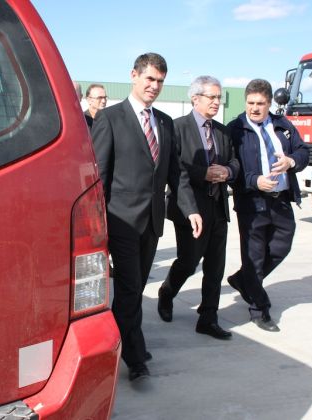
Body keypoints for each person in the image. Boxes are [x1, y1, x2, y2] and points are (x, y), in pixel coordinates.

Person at [92, 53, 202, 381]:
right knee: (128, 288)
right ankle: (136, 359)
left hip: (152, 223)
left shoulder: (165, 123)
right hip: (121, 220)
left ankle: (118, 342)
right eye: (149, 79)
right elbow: (98, 176)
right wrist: (97, 226)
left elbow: (175, 174)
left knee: (135, 289)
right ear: (134, 76)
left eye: (160, 81)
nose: (154, 86)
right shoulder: (110, 118)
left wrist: (190, 208)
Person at [157, 76, 239, 340]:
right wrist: (203, 173)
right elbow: (175, 168)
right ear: (195, 98)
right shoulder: (177, 128)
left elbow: (236, 162)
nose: (217, 102)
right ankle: (167, 292)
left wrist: (227, 170)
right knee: (189, 261)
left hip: (217, 208)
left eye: (219, 97)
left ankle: (208, 318)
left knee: (216, 266)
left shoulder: (223, 132)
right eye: (211, 97)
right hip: (189, 209)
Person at [227, 79, 309, 332]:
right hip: (252, 202)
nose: (254, 108)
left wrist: (291, 162)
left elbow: (304, 151)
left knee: (281, 247)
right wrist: (254, 180)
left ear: (269, 103)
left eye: (260, 103)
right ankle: (258, 308)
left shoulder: (283, 125)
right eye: (250, 103)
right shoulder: (235, 129)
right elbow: (232, 167)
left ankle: (244, 280)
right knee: (253, 257)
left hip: (281, 200)